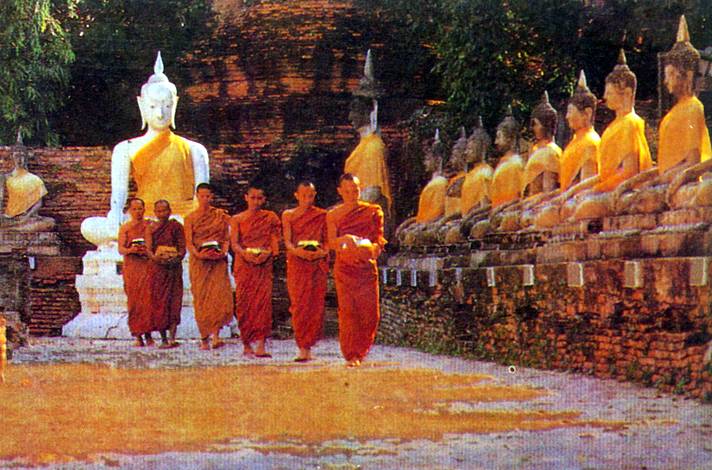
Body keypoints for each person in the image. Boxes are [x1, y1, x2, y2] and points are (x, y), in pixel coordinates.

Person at [80, 52, 209, 248]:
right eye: (153, 106)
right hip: (142, 218)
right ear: (142, 105)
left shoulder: (194, 149)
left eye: (167, 106)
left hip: (181, 218)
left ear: (175, 105)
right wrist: (115, 215)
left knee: (217, 226)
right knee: (89, 226)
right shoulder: (125, 148)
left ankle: (153, 238)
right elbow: (119, 196)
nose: (160, 113)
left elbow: (203, 200)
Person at [327, 173, 386, 367]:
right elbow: (331, 242)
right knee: (348, 313)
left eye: (355, 191)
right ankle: (352, 354)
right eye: (347, 192)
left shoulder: (373, 211)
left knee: (371, 314)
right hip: (345, 268)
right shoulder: (333, 215)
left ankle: (361, 351)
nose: (352, 195)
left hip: (366, 268)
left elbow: (379, 240)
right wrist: (344, 239)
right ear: (340, 192)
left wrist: (373, 250)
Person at [231, 184, 281, 357]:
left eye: (260, 198)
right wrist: (245, 254)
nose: (256, 202)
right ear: (246, 198)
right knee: (244, 302)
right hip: (244, 264)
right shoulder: (237, 219)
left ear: (264, 199)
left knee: (262, 303)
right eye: (252, 198)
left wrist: (268, 253)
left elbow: (275, 241)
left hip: (263, 264)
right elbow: (234, 243)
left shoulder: (270, 217)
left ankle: (261, 344)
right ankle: (246, 343)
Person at [282, 182, 329, 361]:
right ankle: (302, 346)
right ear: (296, 195)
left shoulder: (322, 215)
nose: (307, 200)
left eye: (310, 196)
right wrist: (298, 252)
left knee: (315, 304)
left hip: (316, 264)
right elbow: (288, 241)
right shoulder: (288, 215)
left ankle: (309, 346)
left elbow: (327, 242)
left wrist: (321, 253)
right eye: (303, 196)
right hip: (297, 263)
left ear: (314, 195)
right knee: (299, 304)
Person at [184, 183, 233, 350]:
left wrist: (223, 252)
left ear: (212, 197)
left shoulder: (219, 215)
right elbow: (189, 242)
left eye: (208, 196)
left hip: (217, 260)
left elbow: (226, 238)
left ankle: (216, 336)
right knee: (202, 298)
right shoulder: (190, 218)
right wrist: (199, 254)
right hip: (200, 262)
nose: (205, 199)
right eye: (202, 196)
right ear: (197, 196)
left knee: (218, 296)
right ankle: (204, 337)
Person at [145, 200, 186, 348]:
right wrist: (156, 258)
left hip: (173, 268)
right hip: (158, 269)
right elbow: (149, 249)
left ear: (170, 211)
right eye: (159, 211)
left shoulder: (176, 227)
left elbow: (182, 248)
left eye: (165, 211)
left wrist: (176, 257)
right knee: (160, 302)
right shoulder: (151, 228)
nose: (162, 214)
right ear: (155, 212)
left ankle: (172, 337)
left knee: (174, 301)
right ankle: (163, 339)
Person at [117, 198, 153, 347]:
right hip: (132, 267)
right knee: (134, 302)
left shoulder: (149, 226)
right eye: (134, 209)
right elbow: (121, 249)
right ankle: (138, 335)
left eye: (140, 209)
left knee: (148, 301)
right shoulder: (125, 228)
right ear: (129, 211)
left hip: (147, 266)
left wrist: (146, 250)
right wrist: (131, 250)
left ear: (144, 209)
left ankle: (149, 334)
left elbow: (153, 245)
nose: (138, 212)